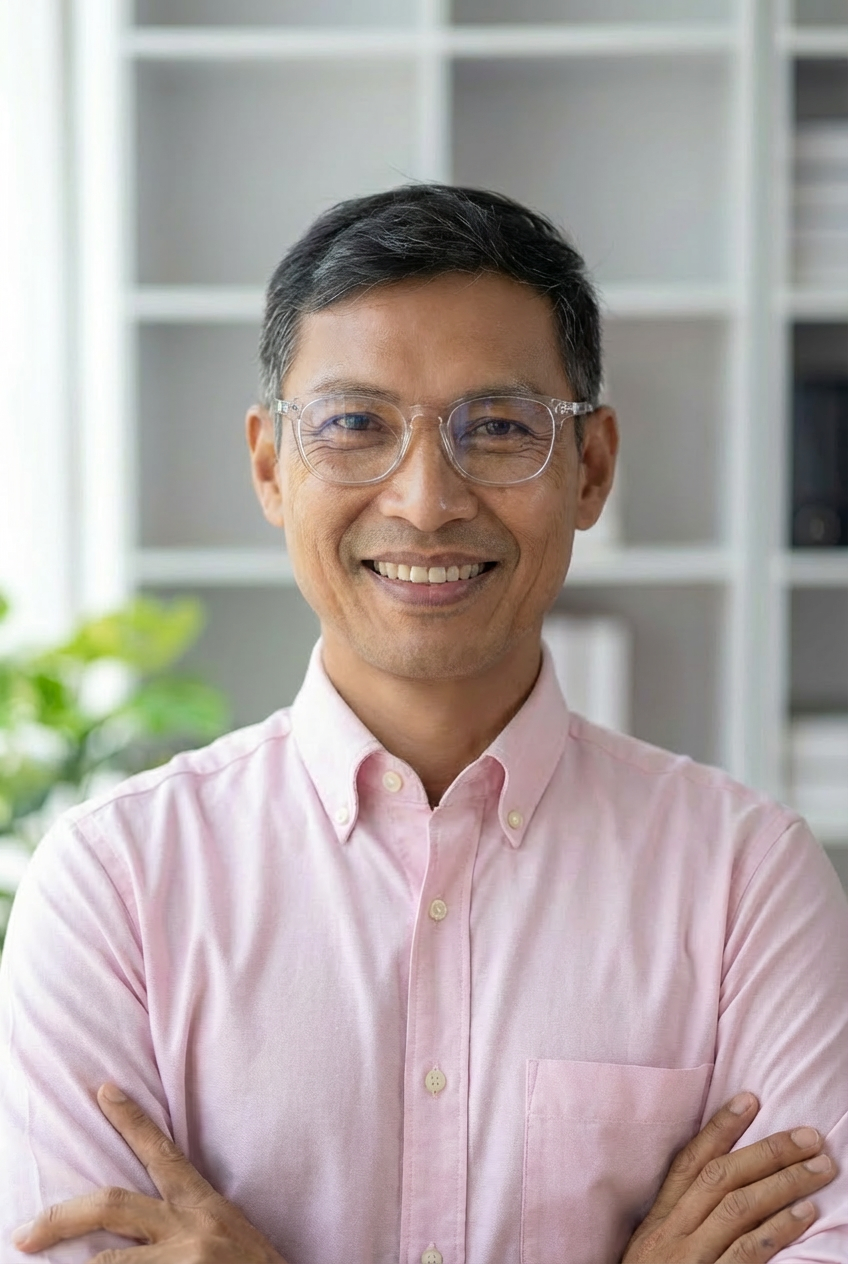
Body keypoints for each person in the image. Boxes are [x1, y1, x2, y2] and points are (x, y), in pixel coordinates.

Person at [1, 184, 846, 1264]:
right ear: (270, 464)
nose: (425, 499)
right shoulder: (114, 890)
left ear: (589, 467)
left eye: (496, 428)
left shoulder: (743, 881)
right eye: (354, 425)